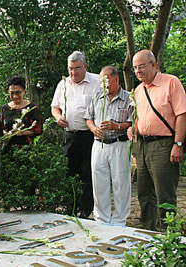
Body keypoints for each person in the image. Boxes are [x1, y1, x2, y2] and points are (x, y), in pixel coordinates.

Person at [129, 50, 186, 231]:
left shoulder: (170, 82)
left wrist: (178, 144)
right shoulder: (139, 90)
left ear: (153, 65)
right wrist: (133, 128)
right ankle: (148, 229)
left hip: (164, 144)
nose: (138, 71)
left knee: (164, 193)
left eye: (142, 66)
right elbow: (139, 116)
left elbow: (182, 114)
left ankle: (166, 232)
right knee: (144, 192)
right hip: (143, 145)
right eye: (135, 68)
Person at [51, 51, 100, 218]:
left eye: (77, 68)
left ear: (85, 66)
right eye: (70, 69)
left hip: (89, 135)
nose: (73, 73)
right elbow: (54, 107)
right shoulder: (63, 84)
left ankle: (85, 210)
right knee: (69, 172)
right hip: (69, 136)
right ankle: (69, 208)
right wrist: (58, 117)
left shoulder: (97, 81)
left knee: (88, 173)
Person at [84, 66, 133, 225]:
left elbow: (133, 122)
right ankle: (101, 219)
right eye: (101, 82)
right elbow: (88, 118)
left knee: (121, 183)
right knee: (99, 182)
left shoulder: (128, 98)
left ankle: (120, 220)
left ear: (116, 80)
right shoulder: (97, 96)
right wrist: (93, 129)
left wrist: (116, 126)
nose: (103, 85)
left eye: (106, 81)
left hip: (119, 144)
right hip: (99, 145)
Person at [0, 76, 42, 149]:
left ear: (23, 91)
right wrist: (4, 133)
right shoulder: (4, 108)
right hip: (7, 148)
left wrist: (22, 132)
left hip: (26, 149)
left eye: (18, 93)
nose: (15, 96)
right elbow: (1, 127)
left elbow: (39, 130)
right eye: (12, 93)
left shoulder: (32, 108)